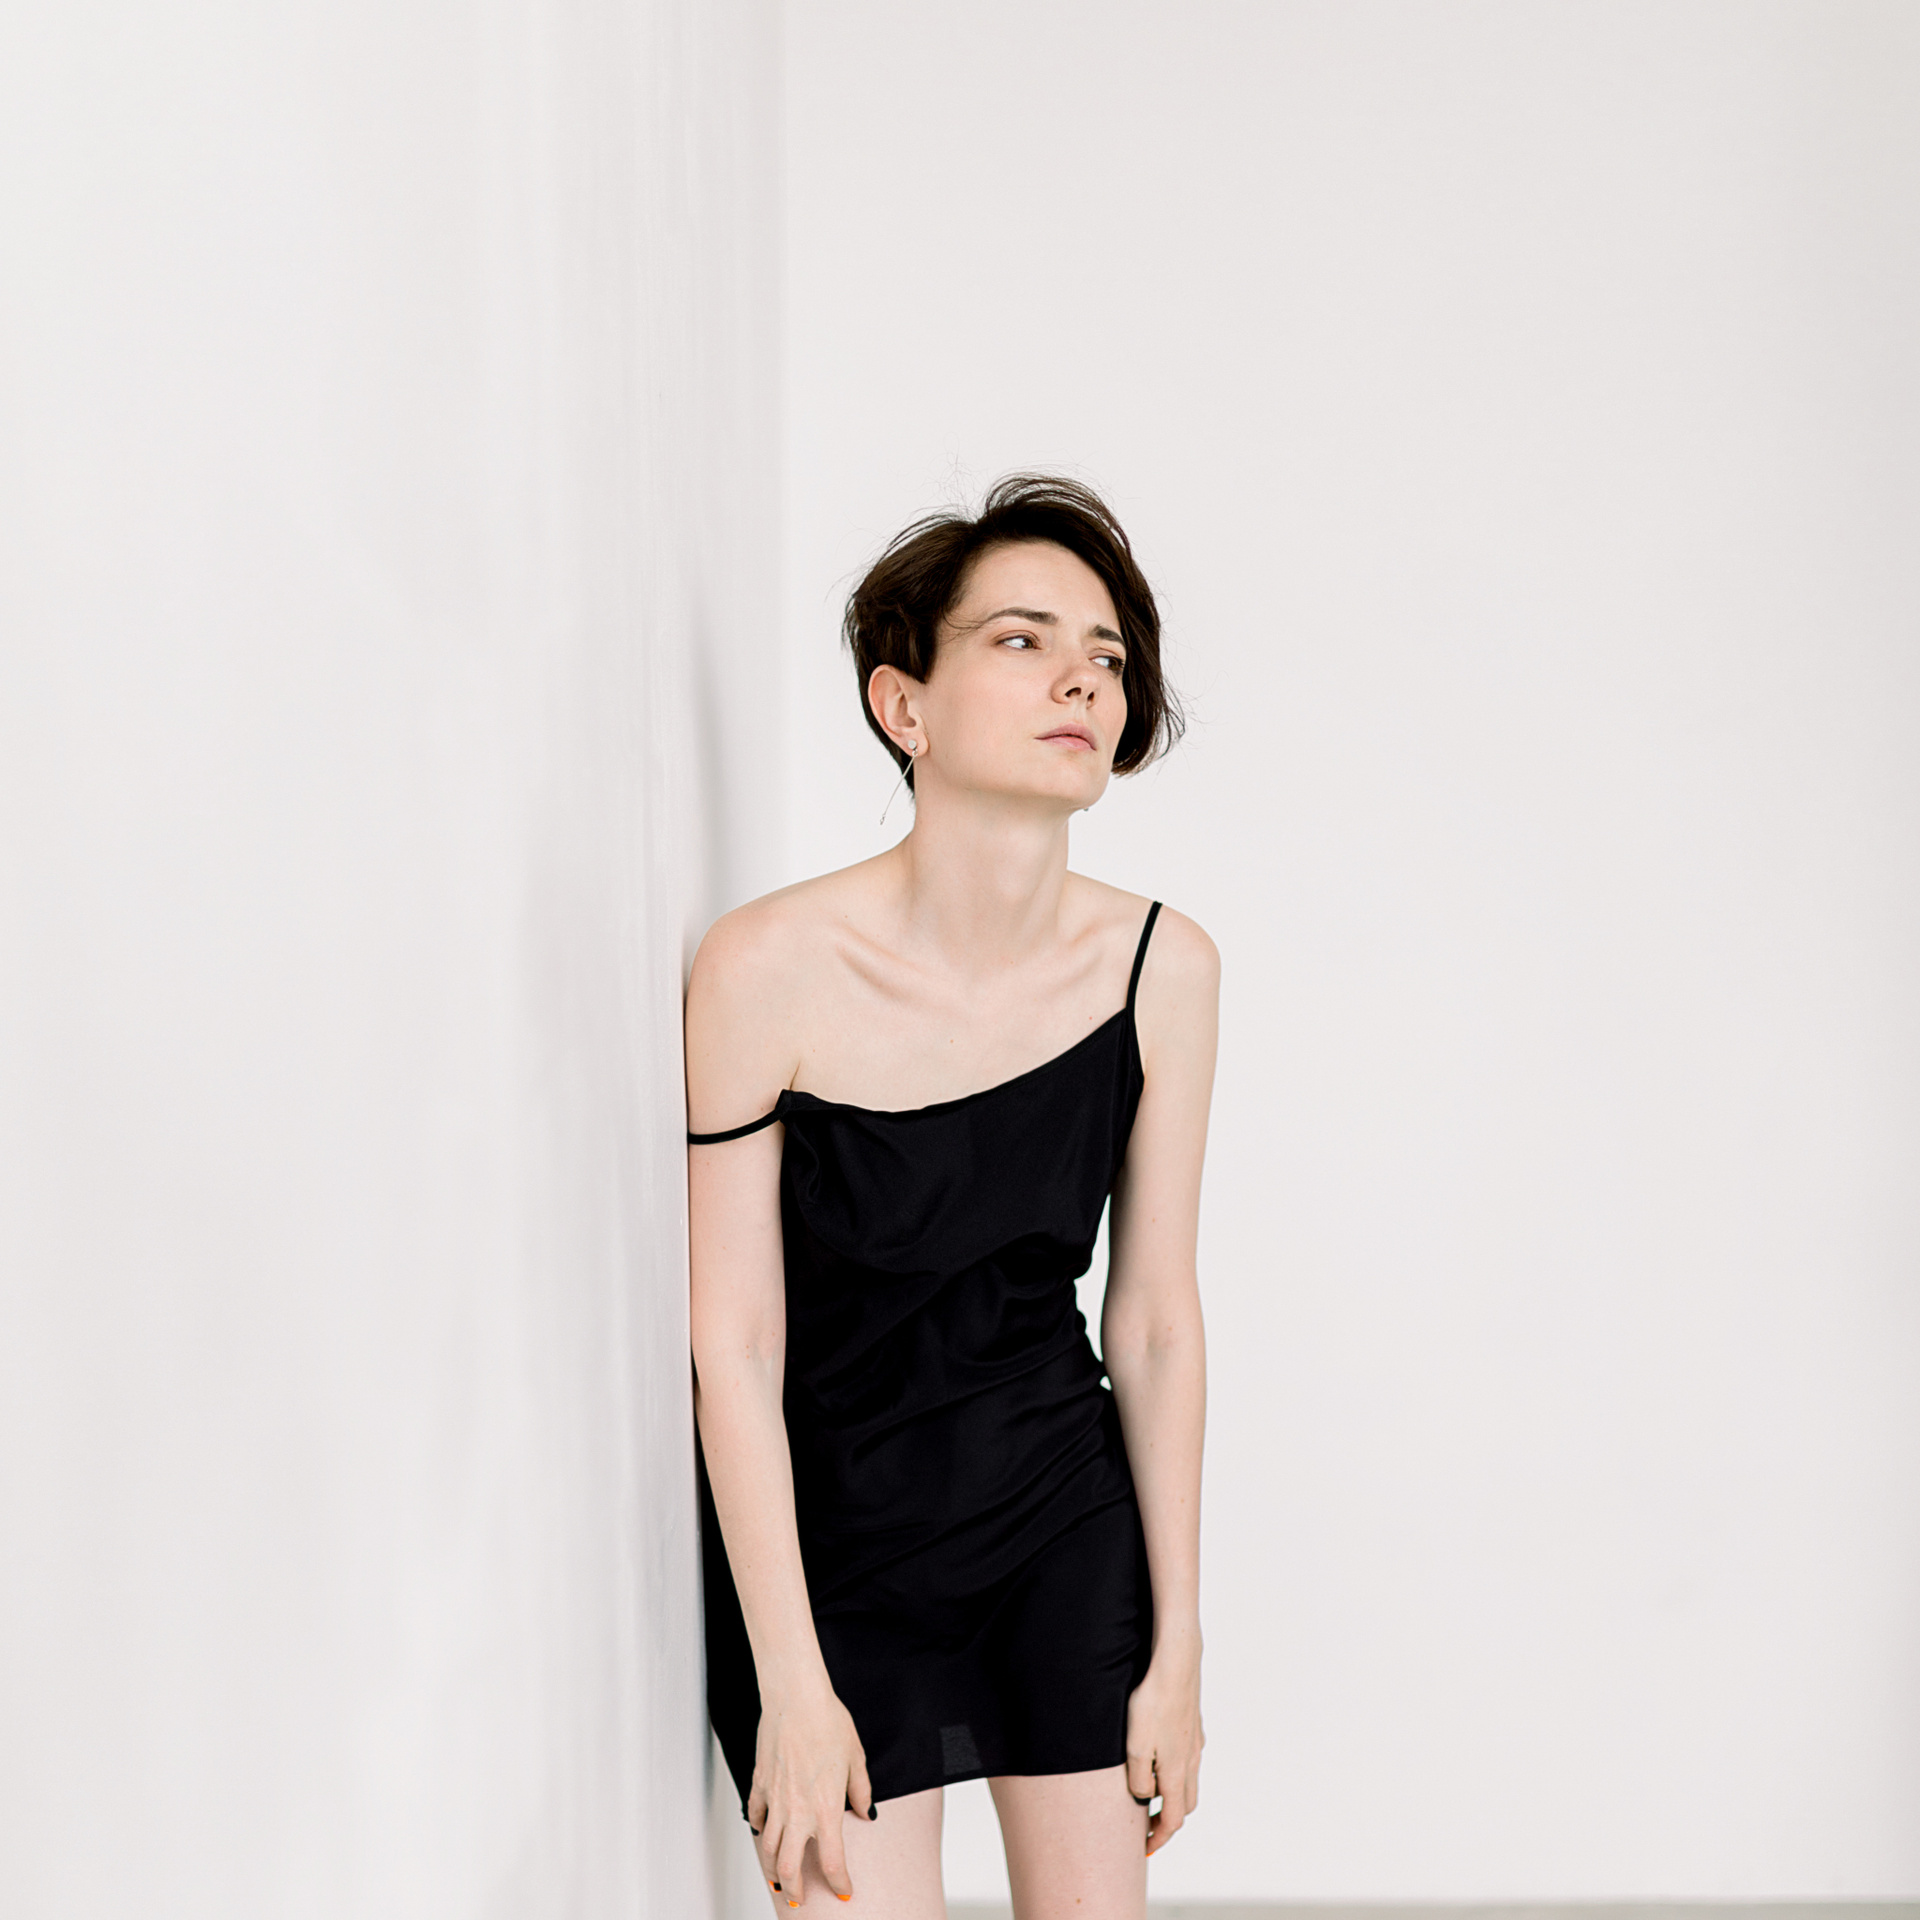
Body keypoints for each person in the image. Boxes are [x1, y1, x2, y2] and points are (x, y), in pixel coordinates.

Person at [685, 474, 1217, 1917]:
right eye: (1022, 640)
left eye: (1107, 655)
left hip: (1056, 1517)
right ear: (903, 704)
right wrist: (791, 1682)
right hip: (827, 1549)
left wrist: (1178, 1645)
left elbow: (1154, 1322)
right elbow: (732, 1341)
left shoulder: (1161, 970)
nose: (1081, 680)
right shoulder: (761, 969)